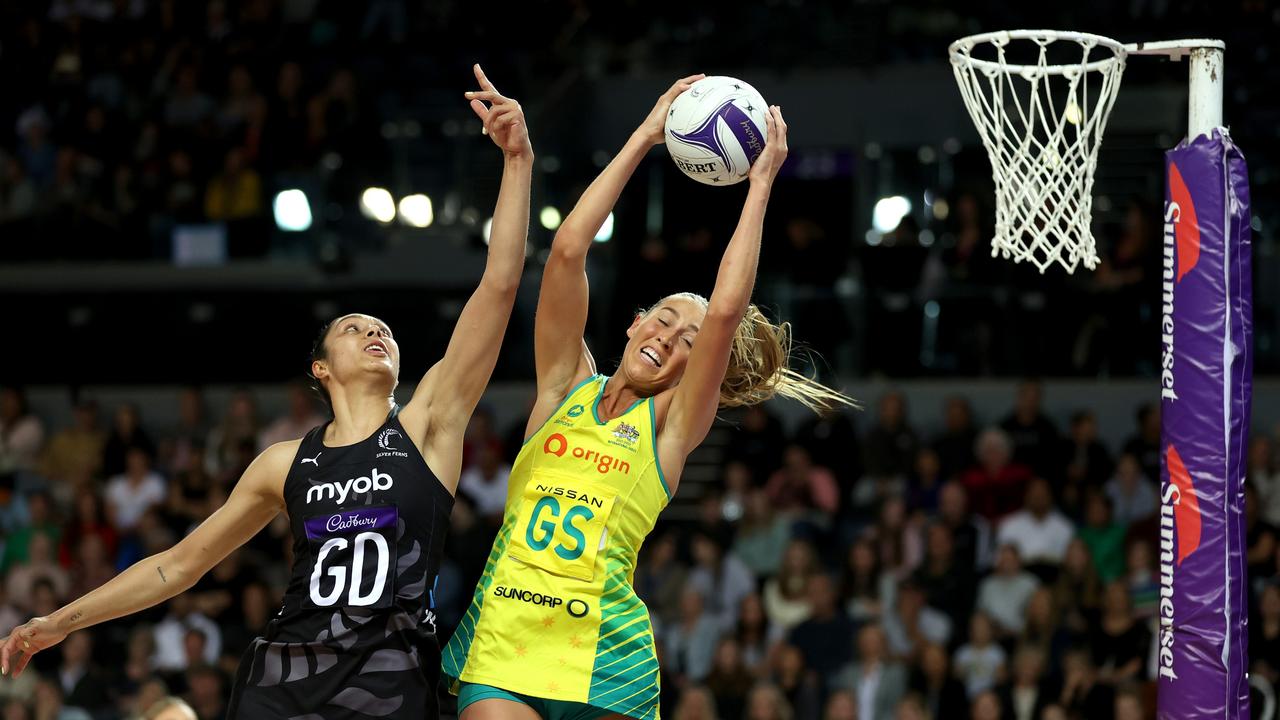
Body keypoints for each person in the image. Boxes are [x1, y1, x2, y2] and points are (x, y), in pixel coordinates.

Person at [0, 65, 533, 720]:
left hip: (389, 683)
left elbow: (500, 286)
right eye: (353, 328)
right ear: (320, 369)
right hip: (284, 676)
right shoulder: (286, 462)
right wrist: (61, 621)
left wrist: (516, 160)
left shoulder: (430, 423)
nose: (374, 331)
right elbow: (179, 566)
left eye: (384, 330)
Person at [443, 76, 852, 720]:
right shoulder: (561, 389)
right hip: (505, 644)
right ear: (634, 322)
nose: (669, 337)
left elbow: (723, 314)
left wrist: (761, 186)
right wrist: (644, 136)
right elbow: (568, 252)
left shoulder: (672, 429)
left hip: (606, 656)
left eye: (686, 340)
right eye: (662, 318)